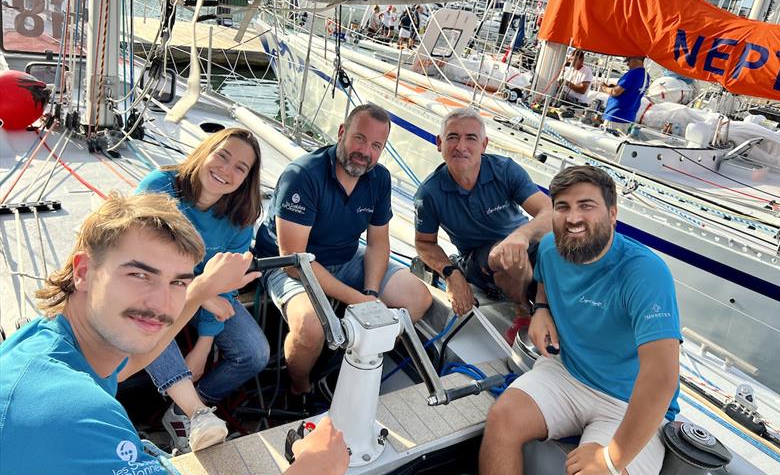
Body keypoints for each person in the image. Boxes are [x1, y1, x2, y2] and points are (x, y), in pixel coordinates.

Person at [0, 192, 349, 475]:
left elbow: (131, 361)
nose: (161, 303)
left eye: (177, 281)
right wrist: (315, 466)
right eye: (139, 275)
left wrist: (199, 290)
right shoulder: (72, 409)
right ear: (84, 272)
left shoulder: (51, 343)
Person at [479, 165, 681, 475]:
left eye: (586, 206)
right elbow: (543, 279)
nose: (573, 218)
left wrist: (612, 459)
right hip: (568, 374)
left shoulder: (644, 272)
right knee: (503, 419)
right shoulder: (550, 249)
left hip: (629, 402)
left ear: (613, 214)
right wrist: (541, 308)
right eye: (563, 207)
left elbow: (661, 378)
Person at [255, 103, 432, 404]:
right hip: (287, 265)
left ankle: (343, 370)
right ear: (341, 133)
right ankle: (300, 388)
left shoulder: (379, 179)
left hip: (347, 257)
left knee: (418, 298)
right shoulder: (303, 175)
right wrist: (361, 302)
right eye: (359, 138)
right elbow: (295, 262)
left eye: (376, 145)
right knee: (311, 326)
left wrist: (371, 291)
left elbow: (377, 243)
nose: (365, 151)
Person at [135, 127, 269, 454]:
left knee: (255, 353)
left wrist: (204, 345)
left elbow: (226, 283)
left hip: (207, 298)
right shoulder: (160, 188)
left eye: (240, 167)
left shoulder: (240, 219)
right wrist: (201, 292)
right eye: (222, 156)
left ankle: (182, 413)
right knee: (149, 316)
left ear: (247, 178)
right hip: (153, 289)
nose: (227, 170)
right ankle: (197, 416)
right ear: (205, 152)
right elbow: (141, 262)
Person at [414, 108, 552, 344]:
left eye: (471, 138)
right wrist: (452, 275)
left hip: (524, 243)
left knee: (558, 251)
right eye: (453, 137)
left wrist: (521, 235)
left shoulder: (505, 170)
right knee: (507, 255)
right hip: (479, 259)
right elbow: (424, 243)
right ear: (439, 143)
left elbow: (548, 212)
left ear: (484, 144)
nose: (461, 146)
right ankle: (522, 312)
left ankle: (547, 308)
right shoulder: (429, 193)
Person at [601, 56, 650, 133]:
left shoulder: (632, 74)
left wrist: (604, 88)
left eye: (628, 60)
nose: (627, 64)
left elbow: (615, 92)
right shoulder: (646, 76)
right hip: (629, 117)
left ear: (635, 59)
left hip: (616, 115)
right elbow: (633, 90)